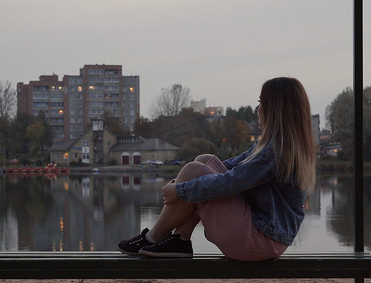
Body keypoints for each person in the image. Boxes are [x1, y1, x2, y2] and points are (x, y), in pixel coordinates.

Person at [118, 77, 316, 261]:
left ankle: (155, 236)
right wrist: (186, 184)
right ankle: (180, 238)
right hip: (269, 239)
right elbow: (231, 166)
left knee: (196, 171)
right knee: (203, 162)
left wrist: (180, 190)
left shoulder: (275, 152)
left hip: (260, 241)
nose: (258, 108)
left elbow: (231, 182)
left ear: (274, 109)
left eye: (261, 101)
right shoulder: (278, 146)